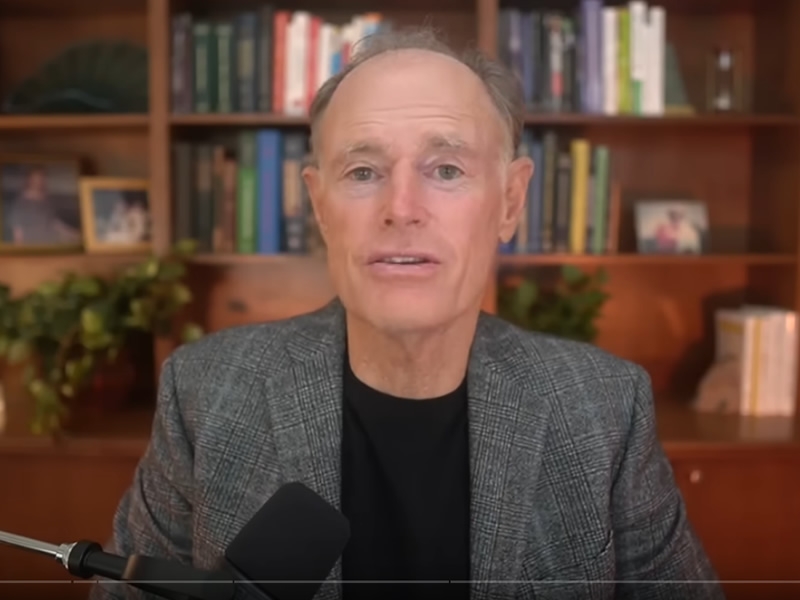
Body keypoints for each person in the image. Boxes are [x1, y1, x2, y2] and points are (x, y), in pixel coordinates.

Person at [90, 27, 724, 600]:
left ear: (510, 201)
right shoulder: (205, 393)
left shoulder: (605, 408)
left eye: (446, 169)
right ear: (319, 204)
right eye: (363, 171)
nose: (401, 208)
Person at [3, 165, 80, 245]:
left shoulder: (48, 201)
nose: (39, 182)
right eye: (36, 179)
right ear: (30, 180)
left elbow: (55, 223)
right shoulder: (19, 204)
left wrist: (73, 234)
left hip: (52, 246)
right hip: (33, 248)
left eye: (42, 179)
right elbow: (18, 235)